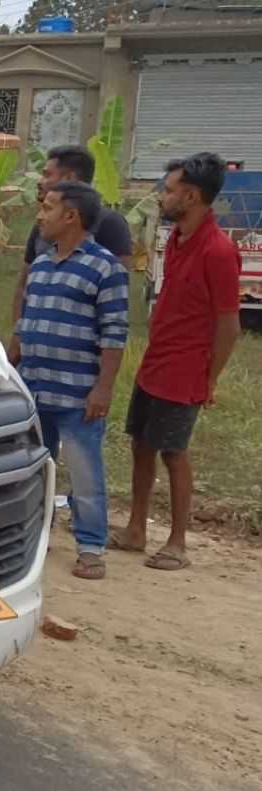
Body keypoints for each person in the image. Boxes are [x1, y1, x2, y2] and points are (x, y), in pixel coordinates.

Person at [111, 153, 242, 571]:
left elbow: (229, 326)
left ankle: (178, 543)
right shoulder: (177, 239)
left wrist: (210, 378)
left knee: (174, 452)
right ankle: (136, 529)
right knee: (141, 444)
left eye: (168, 190)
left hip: (185, 370)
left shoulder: (218, 251)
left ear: (190, 194)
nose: (161, 196)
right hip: (156, 362)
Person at [14, 182, 128, 580]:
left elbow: (114, 334)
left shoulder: (105, 268)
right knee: (34, 469)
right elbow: (28, 321)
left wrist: (104, 388)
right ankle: (35, 535)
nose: (40, 216)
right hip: (35, 388)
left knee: (85, 473)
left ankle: (91, 545)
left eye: (47, 208)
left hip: (78, 394)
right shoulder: (42, 264)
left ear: (71, 216)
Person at [12, 145, 132, 332]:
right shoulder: (43, 226)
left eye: (47, 175)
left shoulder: (109, 224)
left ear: (69, 178)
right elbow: (23, 287)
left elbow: (116, 294)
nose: (40, 182)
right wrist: (19, 335)